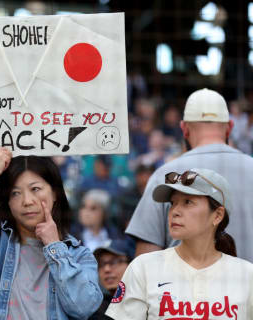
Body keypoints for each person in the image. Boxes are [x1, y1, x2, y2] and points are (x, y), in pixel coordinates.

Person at [0, 147, 103, 320]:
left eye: (35, 189)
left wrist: (55, 248)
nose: (27, 201)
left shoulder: (79, 256)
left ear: (55, 194)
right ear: (7, 202)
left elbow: (84, 308)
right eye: (15, 193)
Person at [106, 168, 253, 319]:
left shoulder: (247, 275)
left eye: (188, 202)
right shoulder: (143, 267)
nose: (175, 211)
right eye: (173, 203)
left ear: (217, 215)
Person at [126, 88, 253, 262]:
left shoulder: (166, 174)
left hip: (185, 287)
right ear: (229, 127)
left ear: (184, 129)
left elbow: (146, 260)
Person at [89, 239, 134, 320]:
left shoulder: (145, 302)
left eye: (114, 262)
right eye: (101, 264)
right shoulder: (95, 310)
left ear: (131, 264)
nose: (106, 269)